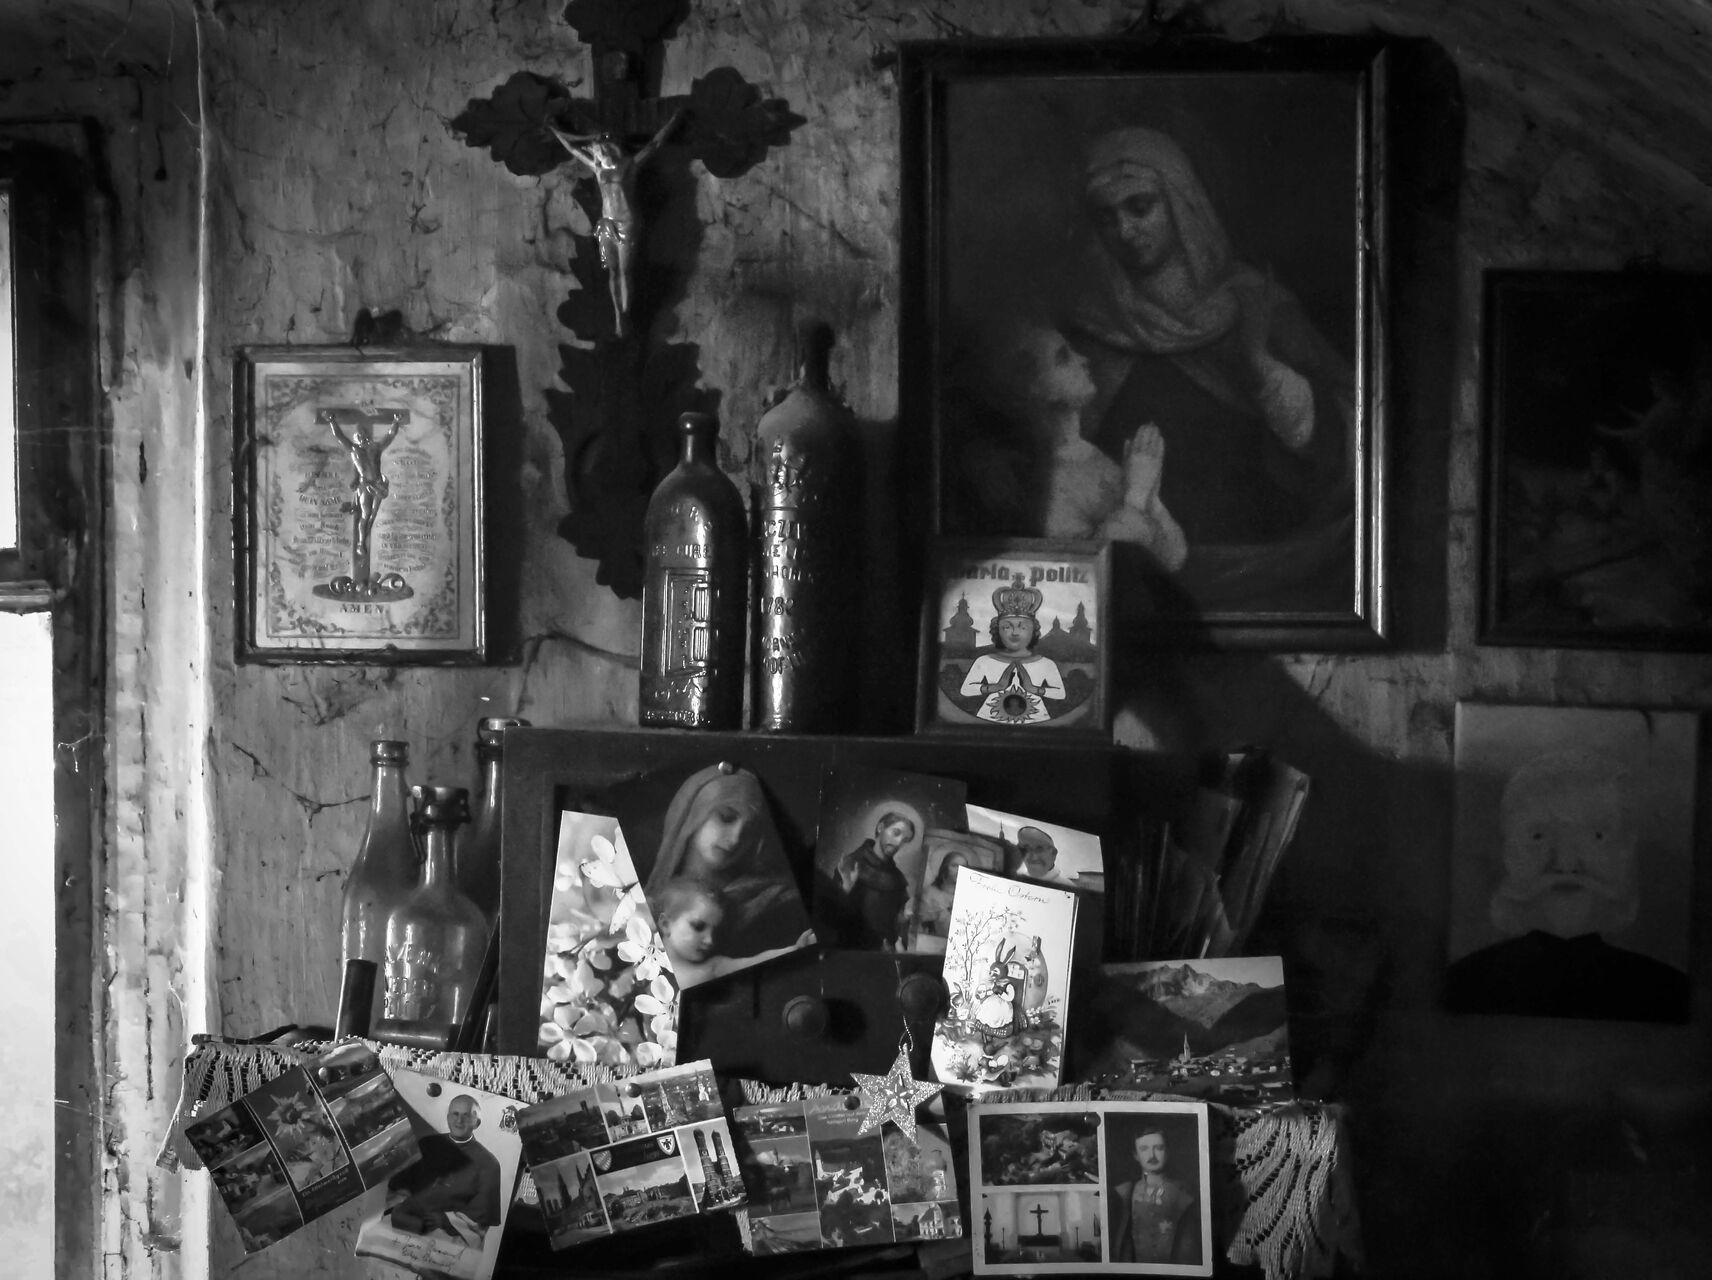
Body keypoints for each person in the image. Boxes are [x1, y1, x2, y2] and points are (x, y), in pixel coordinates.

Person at [1066, 126, 1356, 609]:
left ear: (1182, 201)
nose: (1125, 232)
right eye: (1106, 218)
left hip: (1274, 574)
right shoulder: (1088, 331)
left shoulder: (1257, 304)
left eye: (1139, 207)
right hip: (1142, 582)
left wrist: (1270, 379)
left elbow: (1356, 437)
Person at [1443, 749, 1690, 1021]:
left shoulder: (1668, 992)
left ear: (1626, 849)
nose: (1565, 864)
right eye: (1538, 836)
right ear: (1507, 849)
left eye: (1597, 836)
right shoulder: (1463, 985)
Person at [976, 317, 1187, 570]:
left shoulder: (1088, 453)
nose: (1084, 360)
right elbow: (1088, 571)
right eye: (1063, 358)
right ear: (1036, 388)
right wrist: (1136, 494)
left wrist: (1151, 498)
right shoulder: (1045, 477)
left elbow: (1173, 558)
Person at [645, 762, 813, 957]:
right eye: (726, 817)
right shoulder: (650, 899)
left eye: (750, 830)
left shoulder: (776, 900)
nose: (735, 838)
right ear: (694, 814)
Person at [550, 109, 684, 337]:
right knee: (612, 271)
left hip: (627, 222)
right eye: (597, 151)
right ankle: (618, 317)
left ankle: (627, 314)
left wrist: (673, 121)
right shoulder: (598, 169)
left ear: (611, 148)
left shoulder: (629, 164)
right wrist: (555, 130)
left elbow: (655, 144)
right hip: (607, 224)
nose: (600, 153)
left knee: (625, 271)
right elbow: (572, 149)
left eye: (602, 149)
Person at [385, 1094, 502, 1247]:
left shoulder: (489, 1163)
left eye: (466, 1115)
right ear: (448, 1118)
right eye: (455, 1114)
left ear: (477, 1122)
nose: (459, 1121)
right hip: (407, 1224)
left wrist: (445, 1220)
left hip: (450, 1238)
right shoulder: (428, 1144)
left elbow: (481, 1220)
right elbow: (399, 1185)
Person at [653, 875, 806, 987]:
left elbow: (755, 961)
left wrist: (794, 949)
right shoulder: (646, 957)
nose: (710, 940)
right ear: (666, 924)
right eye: (698, 926)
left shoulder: (712, 967)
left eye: (715, 932)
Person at [958, 579, 1064, 725]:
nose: (1015, 632)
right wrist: (995, 687)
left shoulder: (1046, 664)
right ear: (997, 631)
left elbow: (1060, 693)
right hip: (989, 718)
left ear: (1033, 631)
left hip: (1037, 719)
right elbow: (965, 690)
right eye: (1007, 627)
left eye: (1023, 627)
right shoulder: (985, 661)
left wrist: (1034, 689)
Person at [817, 810, 917, 949]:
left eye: (905, 840)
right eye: (896, 833)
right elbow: (828, 915)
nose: (899, 842)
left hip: (883, 952)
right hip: (851, 949)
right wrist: (845, 889)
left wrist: (905, 916)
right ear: (880, 827)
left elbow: (897, 923)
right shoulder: (851, 864)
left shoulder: (897, 879)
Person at [1111, 1126, 1202, 1265]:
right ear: (1135, 1155)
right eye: (1144, 1149)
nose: (1152, 1156)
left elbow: (1189, 1248)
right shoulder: (1124, 1192)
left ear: (1168, 1152)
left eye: (1158, 1148)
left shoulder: (1184, 1194)